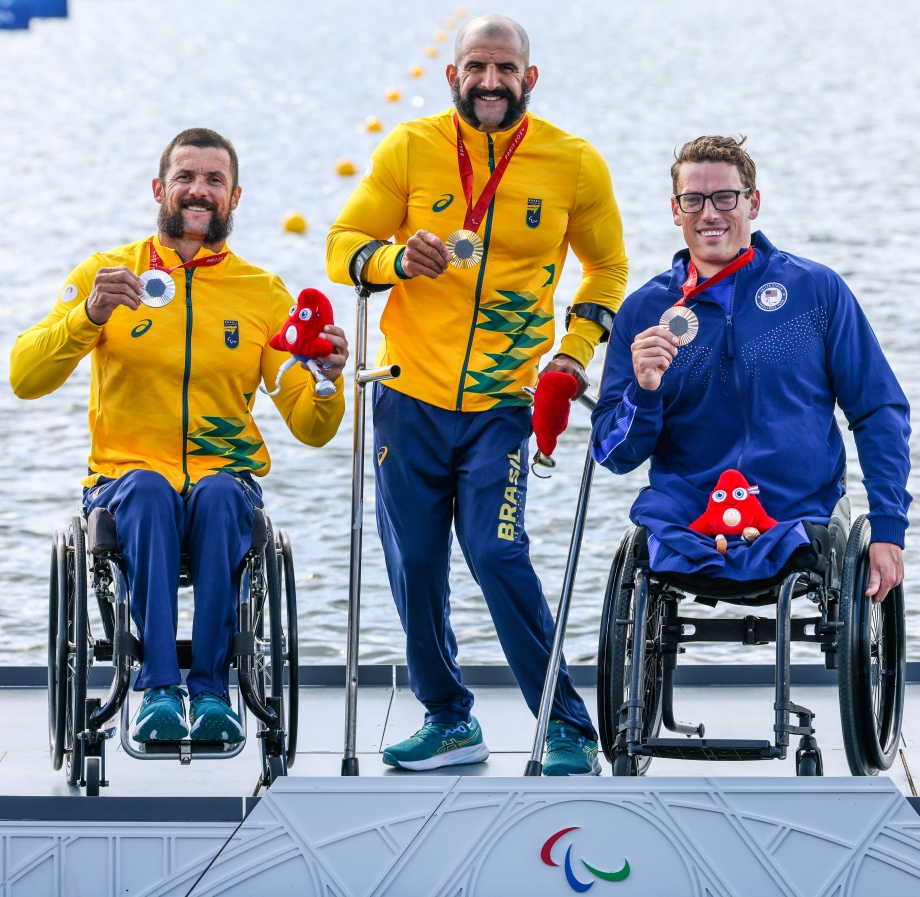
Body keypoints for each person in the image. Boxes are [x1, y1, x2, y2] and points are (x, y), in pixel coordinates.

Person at [327, 15, 628, 775]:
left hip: (502, 405)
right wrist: (395, 259)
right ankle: (449, 719)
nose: (489, 82)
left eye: (504, 69)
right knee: (417, 564)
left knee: (497, 552)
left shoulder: (573, 162)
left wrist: (574, 352)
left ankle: (567, 726)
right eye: (475, 67)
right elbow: (342, 247)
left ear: (530, 78)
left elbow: (607, 271)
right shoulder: (409, 147)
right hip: (408, 399)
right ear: (452, 74)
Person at [10, 128, 348, 744]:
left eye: (214, 180)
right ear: (160, 188)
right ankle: (159, 689)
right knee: (146, 491)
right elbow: (25, 378)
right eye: (186, 177)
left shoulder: (262, 294)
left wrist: (327, 381)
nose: (199, 191)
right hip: (125, 484)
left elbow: (311, 426)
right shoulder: (109, 274)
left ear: (235, 197)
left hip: (223, 484)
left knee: (221, 495)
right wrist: (87, 318)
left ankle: (213, 693)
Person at [591, 135, 909, 600]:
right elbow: (614, 455)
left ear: (752, 202)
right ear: (675, 209)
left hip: (798, 513)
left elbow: (878, 409)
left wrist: (887, 526)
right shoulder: (644, 312)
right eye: (693, 200)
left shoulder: (816, 291)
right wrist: (644, 391)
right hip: (687, 516)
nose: (709, 213)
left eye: (725, 197)